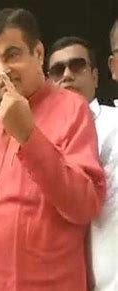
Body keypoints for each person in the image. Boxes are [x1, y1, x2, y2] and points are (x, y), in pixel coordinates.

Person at [0, 8, 106, 291]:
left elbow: (85, 204)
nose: (2, 70)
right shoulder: (0, 117)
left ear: (39, 54)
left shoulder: (71, 108)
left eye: (13, 55)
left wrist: (28, 135)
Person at [47, 35, 118, 291]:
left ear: (96, 77)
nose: (67, 75)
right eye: (57, 70)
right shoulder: (33, 138)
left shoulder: (116, 124)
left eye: (77, 66)